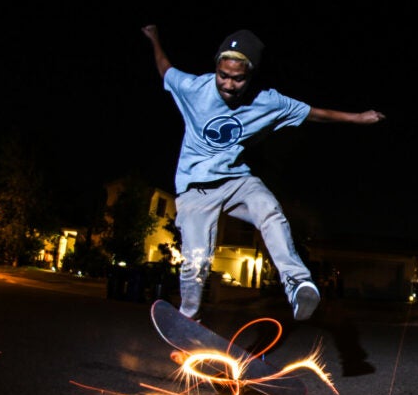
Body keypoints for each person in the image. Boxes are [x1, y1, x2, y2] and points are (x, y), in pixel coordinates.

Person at [141, 24, 385, 323]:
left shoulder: (268, 101)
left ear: (251, 75)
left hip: (236, 180)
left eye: (238, 79)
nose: (229, 85)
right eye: (223, 75)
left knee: (269, 210)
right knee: (196, 261)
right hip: (195, 188)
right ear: (216, 67)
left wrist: (357, 118)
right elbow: (165, 68)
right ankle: (189, 320)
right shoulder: (192, 88)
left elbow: (314, 113)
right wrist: (155, 38)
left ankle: (297, 283)